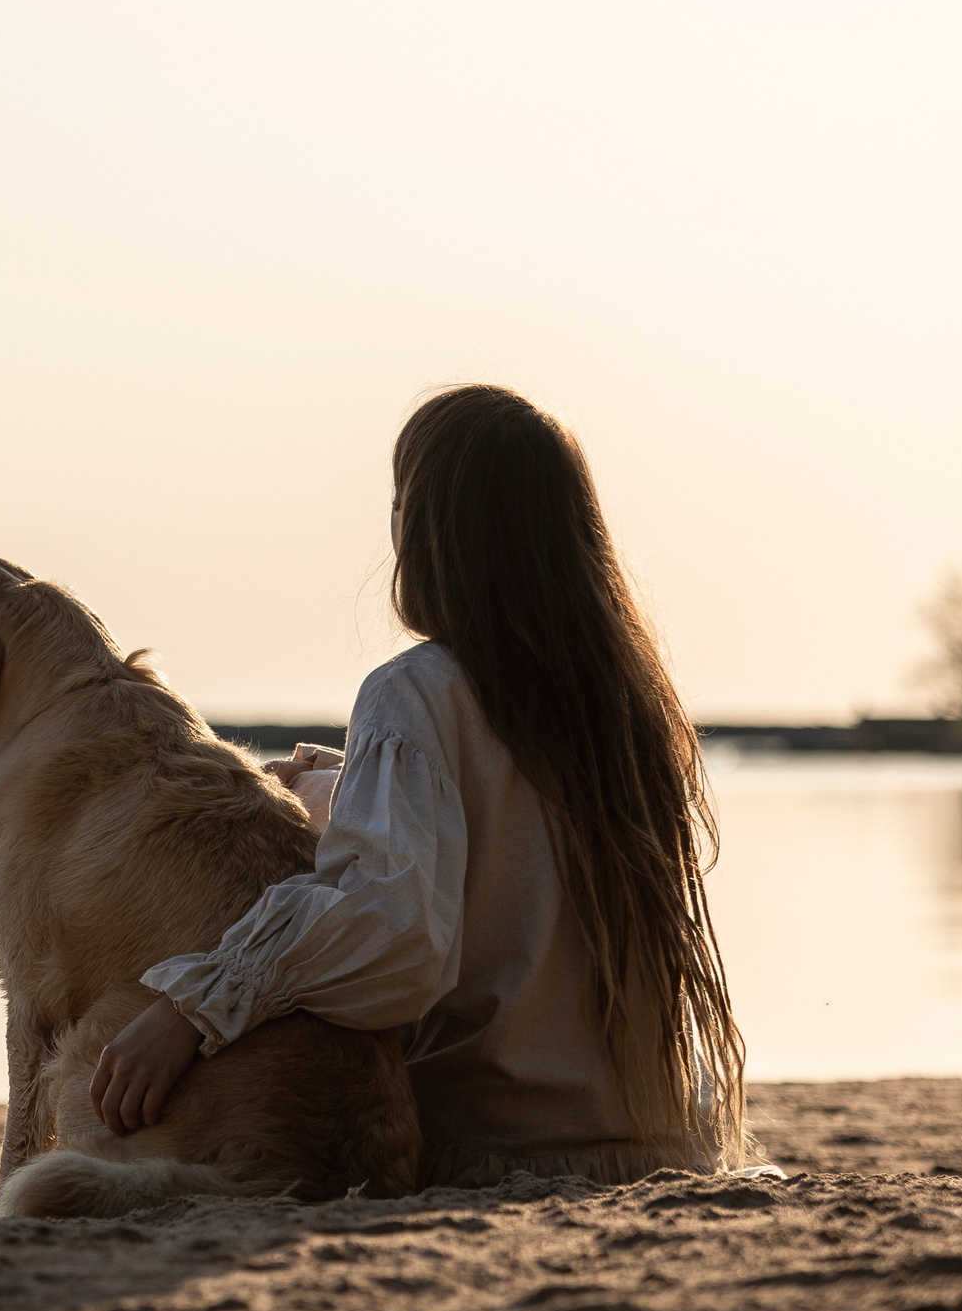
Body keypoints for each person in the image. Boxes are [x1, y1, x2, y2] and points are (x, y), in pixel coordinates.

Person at [86, 383, 762, 1187]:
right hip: (651, 1144)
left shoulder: (413, 692)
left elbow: (396, 935)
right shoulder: (625, 705)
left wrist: (194, 1005)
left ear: (437, 529)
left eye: (401, 501)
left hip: (489, 1150)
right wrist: (338, 791)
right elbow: (511, 843)